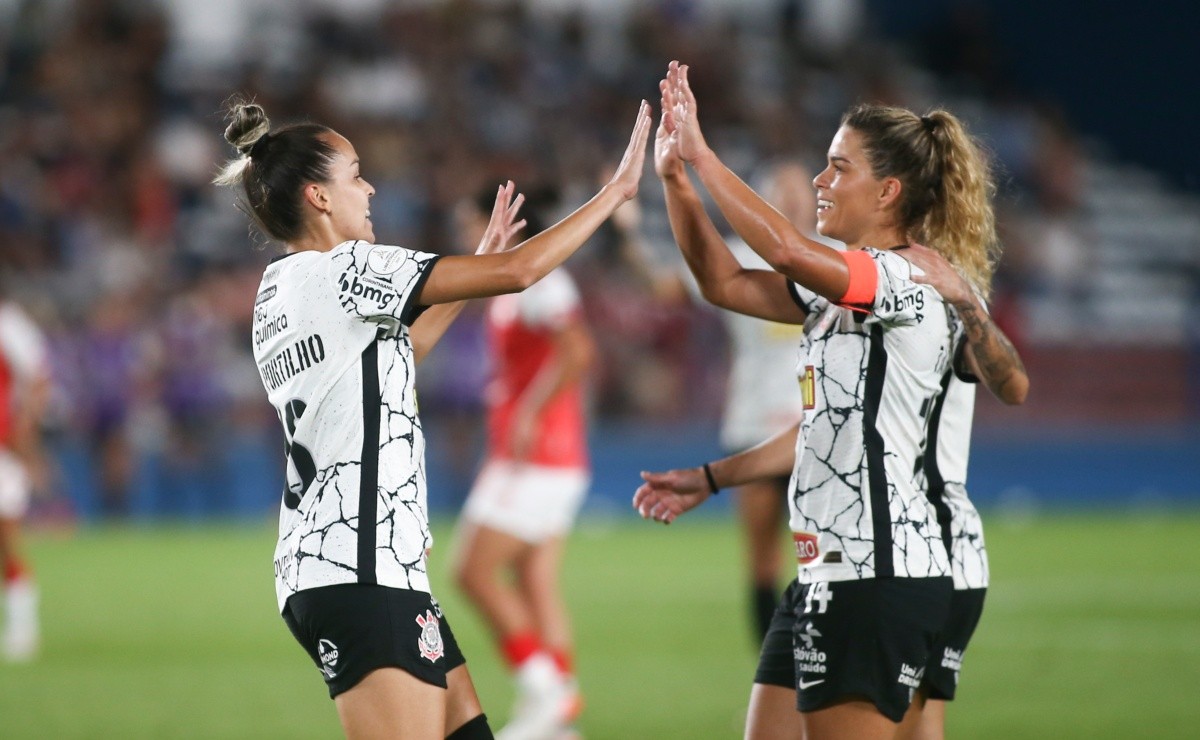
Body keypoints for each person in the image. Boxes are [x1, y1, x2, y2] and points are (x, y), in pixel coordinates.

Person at [215, 98, 651, 740]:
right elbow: (519, 270)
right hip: (361, 570)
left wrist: (476, 265)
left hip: (350, 566)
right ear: (318, 196)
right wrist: (614, 193)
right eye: (355, 174)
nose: (369, 188)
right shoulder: (349, 268)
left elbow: (402, 351)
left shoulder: (278, 291)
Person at [633, 61, 1000, 739]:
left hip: (877, 568)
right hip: (826, 570)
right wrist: (675, 182)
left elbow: (784, 247)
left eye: (837, 168)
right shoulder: (840, 293)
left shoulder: (902, 281)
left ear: (888, 192)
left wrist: (705, 158)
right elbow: (722, 281)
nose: (819, 181)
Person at [611, 163, 826, 643]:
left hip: (823, 423)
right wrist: (630, 234)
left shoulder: (838, 257)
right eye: (781, 191)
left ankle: (819, 670)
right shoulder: (738, 254)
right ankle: (774, 674)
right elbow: (665, 288)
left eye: (800, 191)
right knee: (762, 560)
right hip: (754, 419)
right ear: (764, 201)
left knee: (828, 557)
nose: (793, 201)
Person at [451, 188, 595, 740]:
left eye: (473, 222)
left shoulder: (543, 279)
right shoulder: (519, 283)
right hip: (546, 455)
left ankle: (547, 693)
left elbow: (578, 350)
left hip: (537, 457)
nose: (469, 237)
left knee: (473, 570)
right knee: (535, 580)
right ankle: (558, 719)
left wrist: (532, 410)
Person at [896, 244, 1027, 740]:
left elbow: (1014, 387)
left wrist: (965, 301)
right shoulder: (850, 288)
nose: (822, 183)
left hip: (933, 542)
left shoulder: (939, 297)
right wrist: (716, 476)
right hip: (876, 545)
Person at [0, 295, 51, 662]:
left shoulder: (10, 324)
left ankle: (23, 628)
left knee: (8, 539)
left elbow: (38, 379)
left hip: (3, 447)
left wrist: (26, 433)